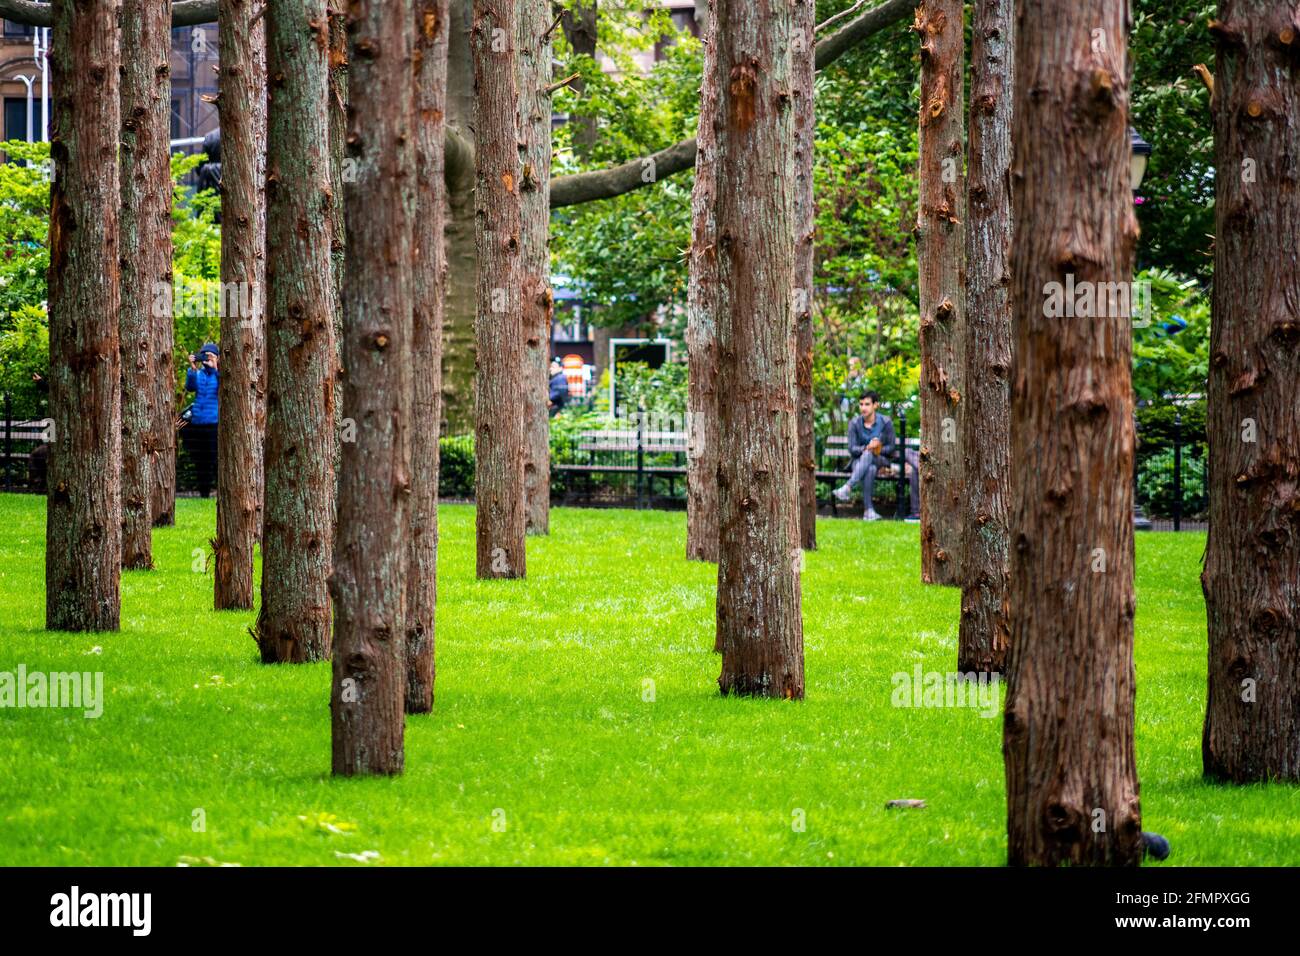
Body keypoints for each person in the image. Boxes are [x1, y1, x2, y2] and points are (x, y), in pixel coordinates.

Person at [832, 390, 920, 521]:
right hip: (858, 463)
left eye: (867, 404)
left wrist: (877, 448)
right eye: (861, 404)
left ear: (875, 405)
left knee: (870, 455)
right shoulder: (854, 423)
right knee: (870, 467)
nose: (863, 408)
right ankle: (869, 512)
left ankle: (848, 487)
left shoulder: (885, 422)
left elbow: (891, 447)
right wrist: (867, 447)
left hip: (881, 460)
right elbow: (852, 449)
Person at [182, 343, 220, 497]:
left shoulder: (219, 374)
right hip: (198, 423)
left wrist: (216, 367)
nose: (207, 358)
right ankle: (204, 493)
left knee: (214, 459)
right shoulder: (198, 374)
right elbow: (189, 387)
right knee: (201, 460)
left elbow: (222, 386)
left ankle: (220, 491)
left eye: (210, 355)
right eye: (204, 355)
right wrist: (192, 368)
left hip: (213, 423)